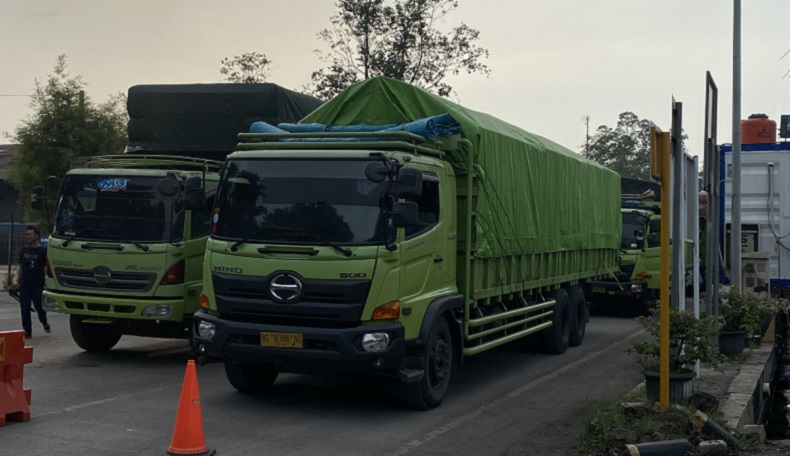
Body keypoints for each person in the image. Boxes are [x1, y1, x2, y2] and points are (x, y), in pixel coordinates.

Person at [16, 226, 50, 338]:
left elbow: (47, 266)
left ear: (36, 236)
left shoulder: (43, 251)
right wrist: (18, 281)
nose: (27, 237)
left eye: (30, 234)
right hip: (25, 284)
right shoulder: (24, 250)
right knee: (24, 308)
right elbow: (21, 266)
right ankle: (27, 331)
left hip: (37, 284)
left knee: (39, 307)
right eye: (26, 235)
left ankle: (44, 321)